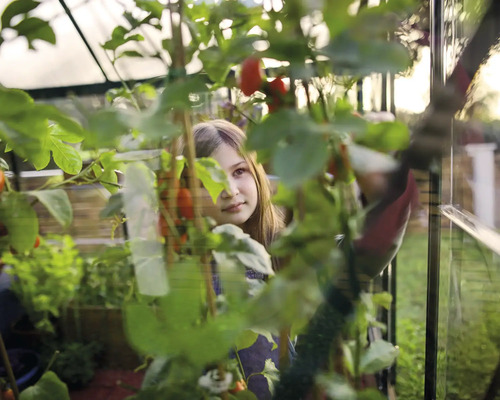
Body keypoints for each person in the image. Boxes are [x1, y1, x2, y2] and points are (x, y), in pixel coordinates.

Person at [188, 119, 418, 399]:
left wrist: (368, 158)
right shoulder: (189, 268)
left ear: (257, 174)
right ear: (188, 192)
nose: (230, 190)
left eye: (239, 171)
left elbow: (365, 253)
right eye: (211, 179)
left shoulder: (282, 248)